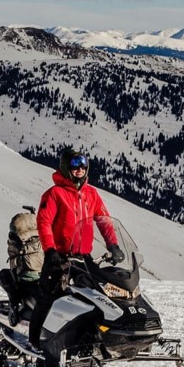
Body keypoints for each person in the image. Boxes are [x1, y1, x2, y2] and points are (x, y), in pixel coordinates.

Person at [27, 148, 119, 351]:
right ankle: (35, 342)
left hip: (83, 257)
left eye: (83, 164)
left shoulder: (91, 194)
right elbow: (44, 222)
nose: (80, 169)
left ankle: (85, 341)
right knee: (49, 296)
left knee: (92, 297)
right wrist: (50, 250)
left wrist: (113, 245)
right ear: (65, 167)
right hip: (58, 255)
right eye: (75, 165)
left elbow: (104, 221)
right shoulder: (54, 194)